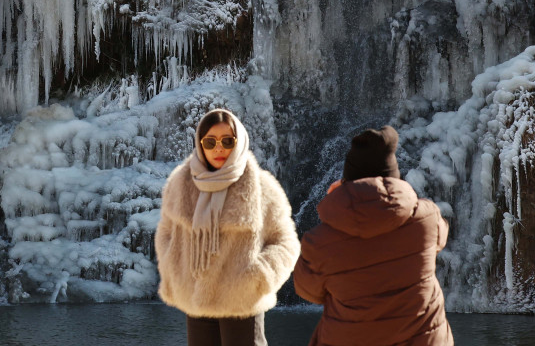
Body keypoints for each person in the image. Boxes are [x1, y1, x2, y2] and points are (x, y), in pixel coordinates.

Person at [294, 126, 454, 346]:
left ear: (346, 181)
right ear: (394, 177)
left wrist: (337, 209)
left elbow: (308, 290)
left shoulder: (320, 241)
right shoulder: (426, 218)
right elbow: (440, 238)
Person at [156, 108, 300, 346]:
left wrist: (259, 276)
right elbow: (166, 232)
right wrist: (174, 268)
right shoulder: (180, 183)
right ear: (200, 144)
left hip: (240, 301)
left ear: (239, 141)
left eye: (227, 141)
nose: (219, 148)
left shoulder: (261, 186)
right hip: (195, 300)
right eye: (210, 142)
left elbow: (286, 242)